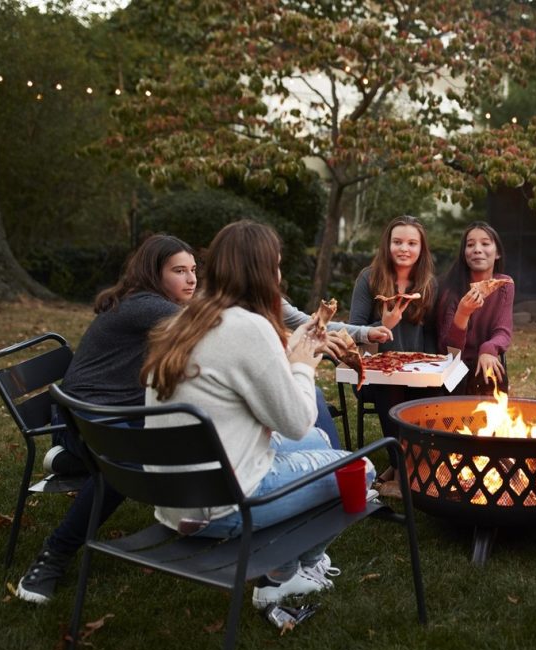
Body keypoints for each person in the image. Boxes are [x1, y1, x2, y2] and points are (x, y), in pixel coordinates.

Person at [142, 220, 375, 609]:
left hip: (176, 496)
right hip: (221, 506)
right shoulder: (249, 327)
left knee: (318, 442)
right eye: (278, 265)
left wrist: (295, 350)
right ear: (266, 272)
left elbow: (240, 386)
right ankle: (288, 574)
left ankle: (288, 570)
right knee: (360, 469)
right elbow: (297, 419)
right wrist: (303, 363)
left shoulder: (184, 321)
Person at [16, 234, 198, 604]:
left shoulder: (152, 304)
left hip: (116, 411)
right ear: (153, 273)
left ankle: (72, 461)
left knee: (186, 436)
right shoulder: (149, 307)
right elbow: (215, 331)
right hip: (87, 419)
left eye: (194, 270)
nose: (192, 279)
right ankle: (53, 555)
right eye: (179, 271)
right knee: (126, 467)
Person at [348, 215, 439, 496]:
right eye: (397, 241)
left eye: (412, 243)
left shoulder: (428, 284)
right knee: (391, 385)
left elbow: (433, 337)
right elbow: (352, 332)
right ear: (387, 244)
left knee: (425, 395)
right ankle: (403, 472)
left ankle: (402, 468)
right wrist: (383, 326)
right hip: (374, 374)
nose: (404, 248)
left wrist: (434, 367)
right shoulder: (369, 278)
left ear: (421, 249)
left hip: (417, 372)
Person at [437, 221, 513, 395]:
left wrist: (488, 350)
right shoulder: (450, 289)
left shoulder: (505, 285)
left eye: (485, 243)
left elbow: (503, 331)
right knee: (456, 379)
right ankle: (452, 422)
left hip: (483, 358)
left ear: (498, 253)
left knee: (493, 376)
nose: (477, 249)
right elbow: (448, 349)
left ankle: (492, 422)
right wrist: (463, 313)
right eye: (470, 245)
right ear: (464, 254)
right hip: (453, 363)